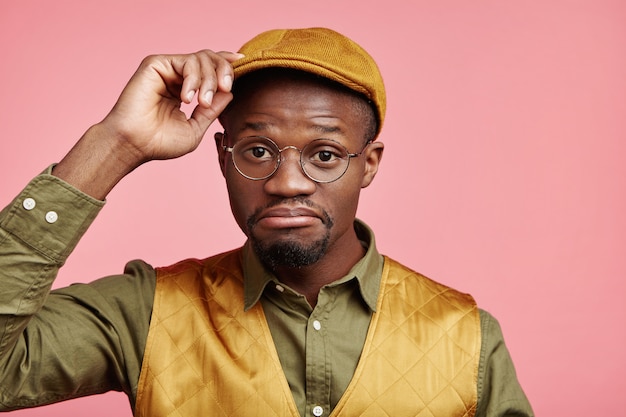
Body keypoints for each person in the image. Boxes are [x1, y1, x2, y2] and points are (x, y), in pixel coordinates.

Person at [0, 27, 533, 416]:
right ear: (221, 158)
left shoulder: (467, 337)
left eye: (324, 155)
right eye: (257, 150)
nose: (287, 183)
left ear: (368, 164)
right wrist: (115, 144)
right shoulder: (144, 311)